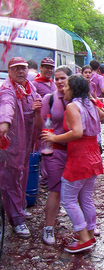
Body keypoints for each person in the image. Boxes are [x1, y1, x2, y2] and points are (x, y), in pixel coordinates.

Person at [41, 75, 104, 253]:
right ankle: (90, 233)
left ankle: (83, 238)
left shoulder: (72, 106)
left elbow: (77, 132)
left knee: (68, 199)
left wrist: (53, 137)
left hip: (79, 156)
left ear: (73, 89)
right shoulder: (90, 104)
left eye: (67, 86)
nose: (63, 89)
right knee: (85, 197)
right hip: (93, 154)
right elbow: (103, 116)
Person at [0, 57, 43, 238]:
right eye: (16, 69)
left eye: (23, 69)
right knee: (10, 180)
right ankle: (16, 220)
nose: (20, 72)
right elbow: (6, 106)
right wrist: (4, 123)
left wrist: (37, 106)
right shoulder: (7, 89)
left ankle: (20, 207)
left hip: (26, 144)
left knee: (22, 175)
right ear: (9, 71)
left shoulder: (29, 87)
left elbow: (37, 100)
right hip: (11, 146)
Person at [40, 66, 72, 245]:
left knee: (79, 188)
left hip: (74, 150)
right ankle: (48, 226)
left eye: (63, 78)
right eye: (56, 78)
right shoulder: (49, 98)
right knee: (55, 189)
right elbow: (42, 125)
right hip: (55, 150)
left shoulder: (76, 98)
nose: (59, 82)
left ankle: (87, 227)